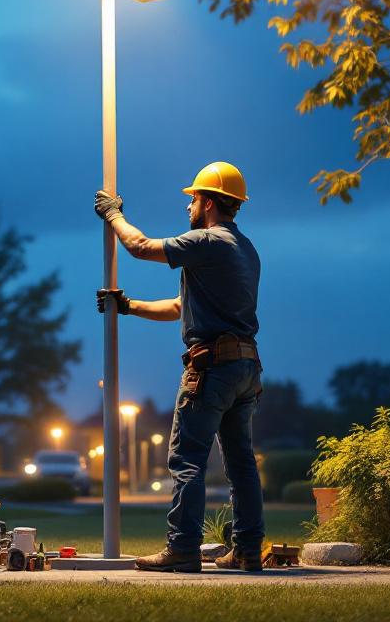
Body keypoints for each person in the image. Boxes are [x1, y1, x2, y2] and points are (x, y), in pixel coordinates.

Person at [92, 161, 264, 572]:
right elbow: (178, 307)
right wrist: (129, 306)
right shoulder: (245, 249)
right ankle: (247, 550)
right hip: (245, 369)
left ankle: (183, 548)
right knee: (241, 463)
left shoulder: (206, 241)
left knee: (187, 460)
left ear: (207, 202)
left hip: (212, 369)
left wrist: (113, 213)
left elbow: (140, 247)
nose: (186, 205)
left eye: (191, 199)